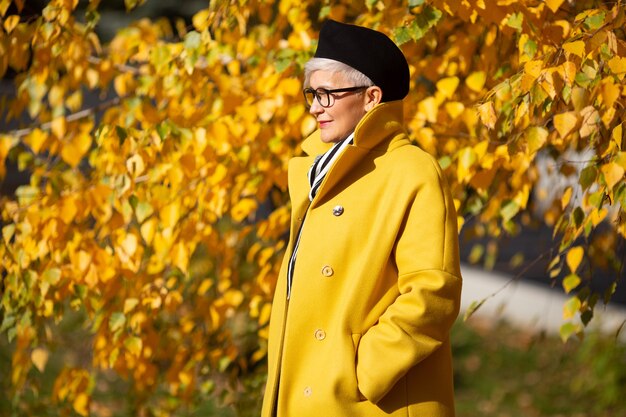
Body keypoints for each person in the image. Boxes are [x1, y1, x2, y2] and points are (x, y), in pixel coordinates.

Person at [261, 19, 463, 417]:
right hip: (305, 392)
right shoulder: (318, 168)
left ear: (371, 97)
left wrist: (364, 369)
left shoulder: (412, 171)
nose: (315, 107)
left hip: (368, 402)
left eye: (327, 94)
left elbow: (433, 291)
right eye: (311, 94)